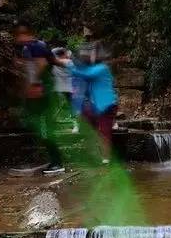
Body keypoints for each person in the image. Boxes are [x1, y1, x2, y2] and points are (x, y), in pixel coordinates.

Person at [13, 19, 65, 174]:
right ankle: (53, 159)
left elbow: (42, 64)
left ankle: (57, 163)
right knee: (37, 125)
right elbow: (52, 62)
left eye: (22, 34)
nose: (19, 38)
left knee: (45, 128)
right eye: (17, 35)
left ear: (29, 33)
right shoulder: (28, 48)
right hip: (38, 94)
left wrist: (34, 84)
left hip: (42, 93)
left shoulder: (36, 45)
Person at [70, 44, 118, 164]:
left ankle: (105, 160)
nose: (89, 55)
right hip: (96, 106)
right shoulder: (95, 68)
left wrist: (69, 64)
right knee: (87, 120)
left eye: (91, 53)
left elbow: (86, 74)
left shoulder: (101, 68)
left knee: (104, 132)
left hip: (106, 105)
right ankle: (96, 154)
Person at [51, 47, 78, 133]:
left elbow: (52, 51)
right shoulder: (69, 62)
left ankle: (53, 124)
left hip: (57, 88)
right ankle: (75, 126)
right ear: (63, 54)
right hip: (68, 88)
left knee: (55, 107)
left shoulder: (53, 63)